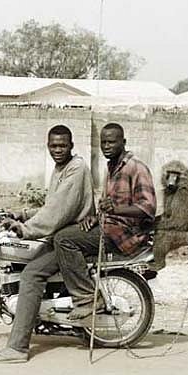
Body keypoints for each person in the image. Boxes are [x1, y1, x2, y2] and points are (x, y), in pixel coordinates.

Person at [0, 124, 95, 364]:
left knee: (31, 276)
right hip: (61, 234)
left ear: (71, 146)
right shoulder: (60, 169)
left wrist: (26, 229)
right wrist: (22, 214)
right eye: (54, 145)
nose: (58, 149)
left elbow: (58, 212)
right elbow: (51, 206)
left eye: (63, 145)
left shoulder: (76, 168)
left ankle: (18, 348)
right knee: (26, 265)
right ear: (47, 146)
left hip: (70, 236)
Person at [53, 122, 156, 320]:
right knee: (69, 231)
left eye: (111, 142)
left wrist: (115, 210)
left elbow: (148, 208)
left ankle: (87, 299)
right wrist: (95, 218)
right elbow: (108, 206)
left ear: (123, 142)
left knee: (63, 239)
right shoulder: (112, 167)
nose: (106, 146)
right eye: (103, 142)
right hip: (108, 228)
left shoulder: (136, 168)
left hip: (123, 235)